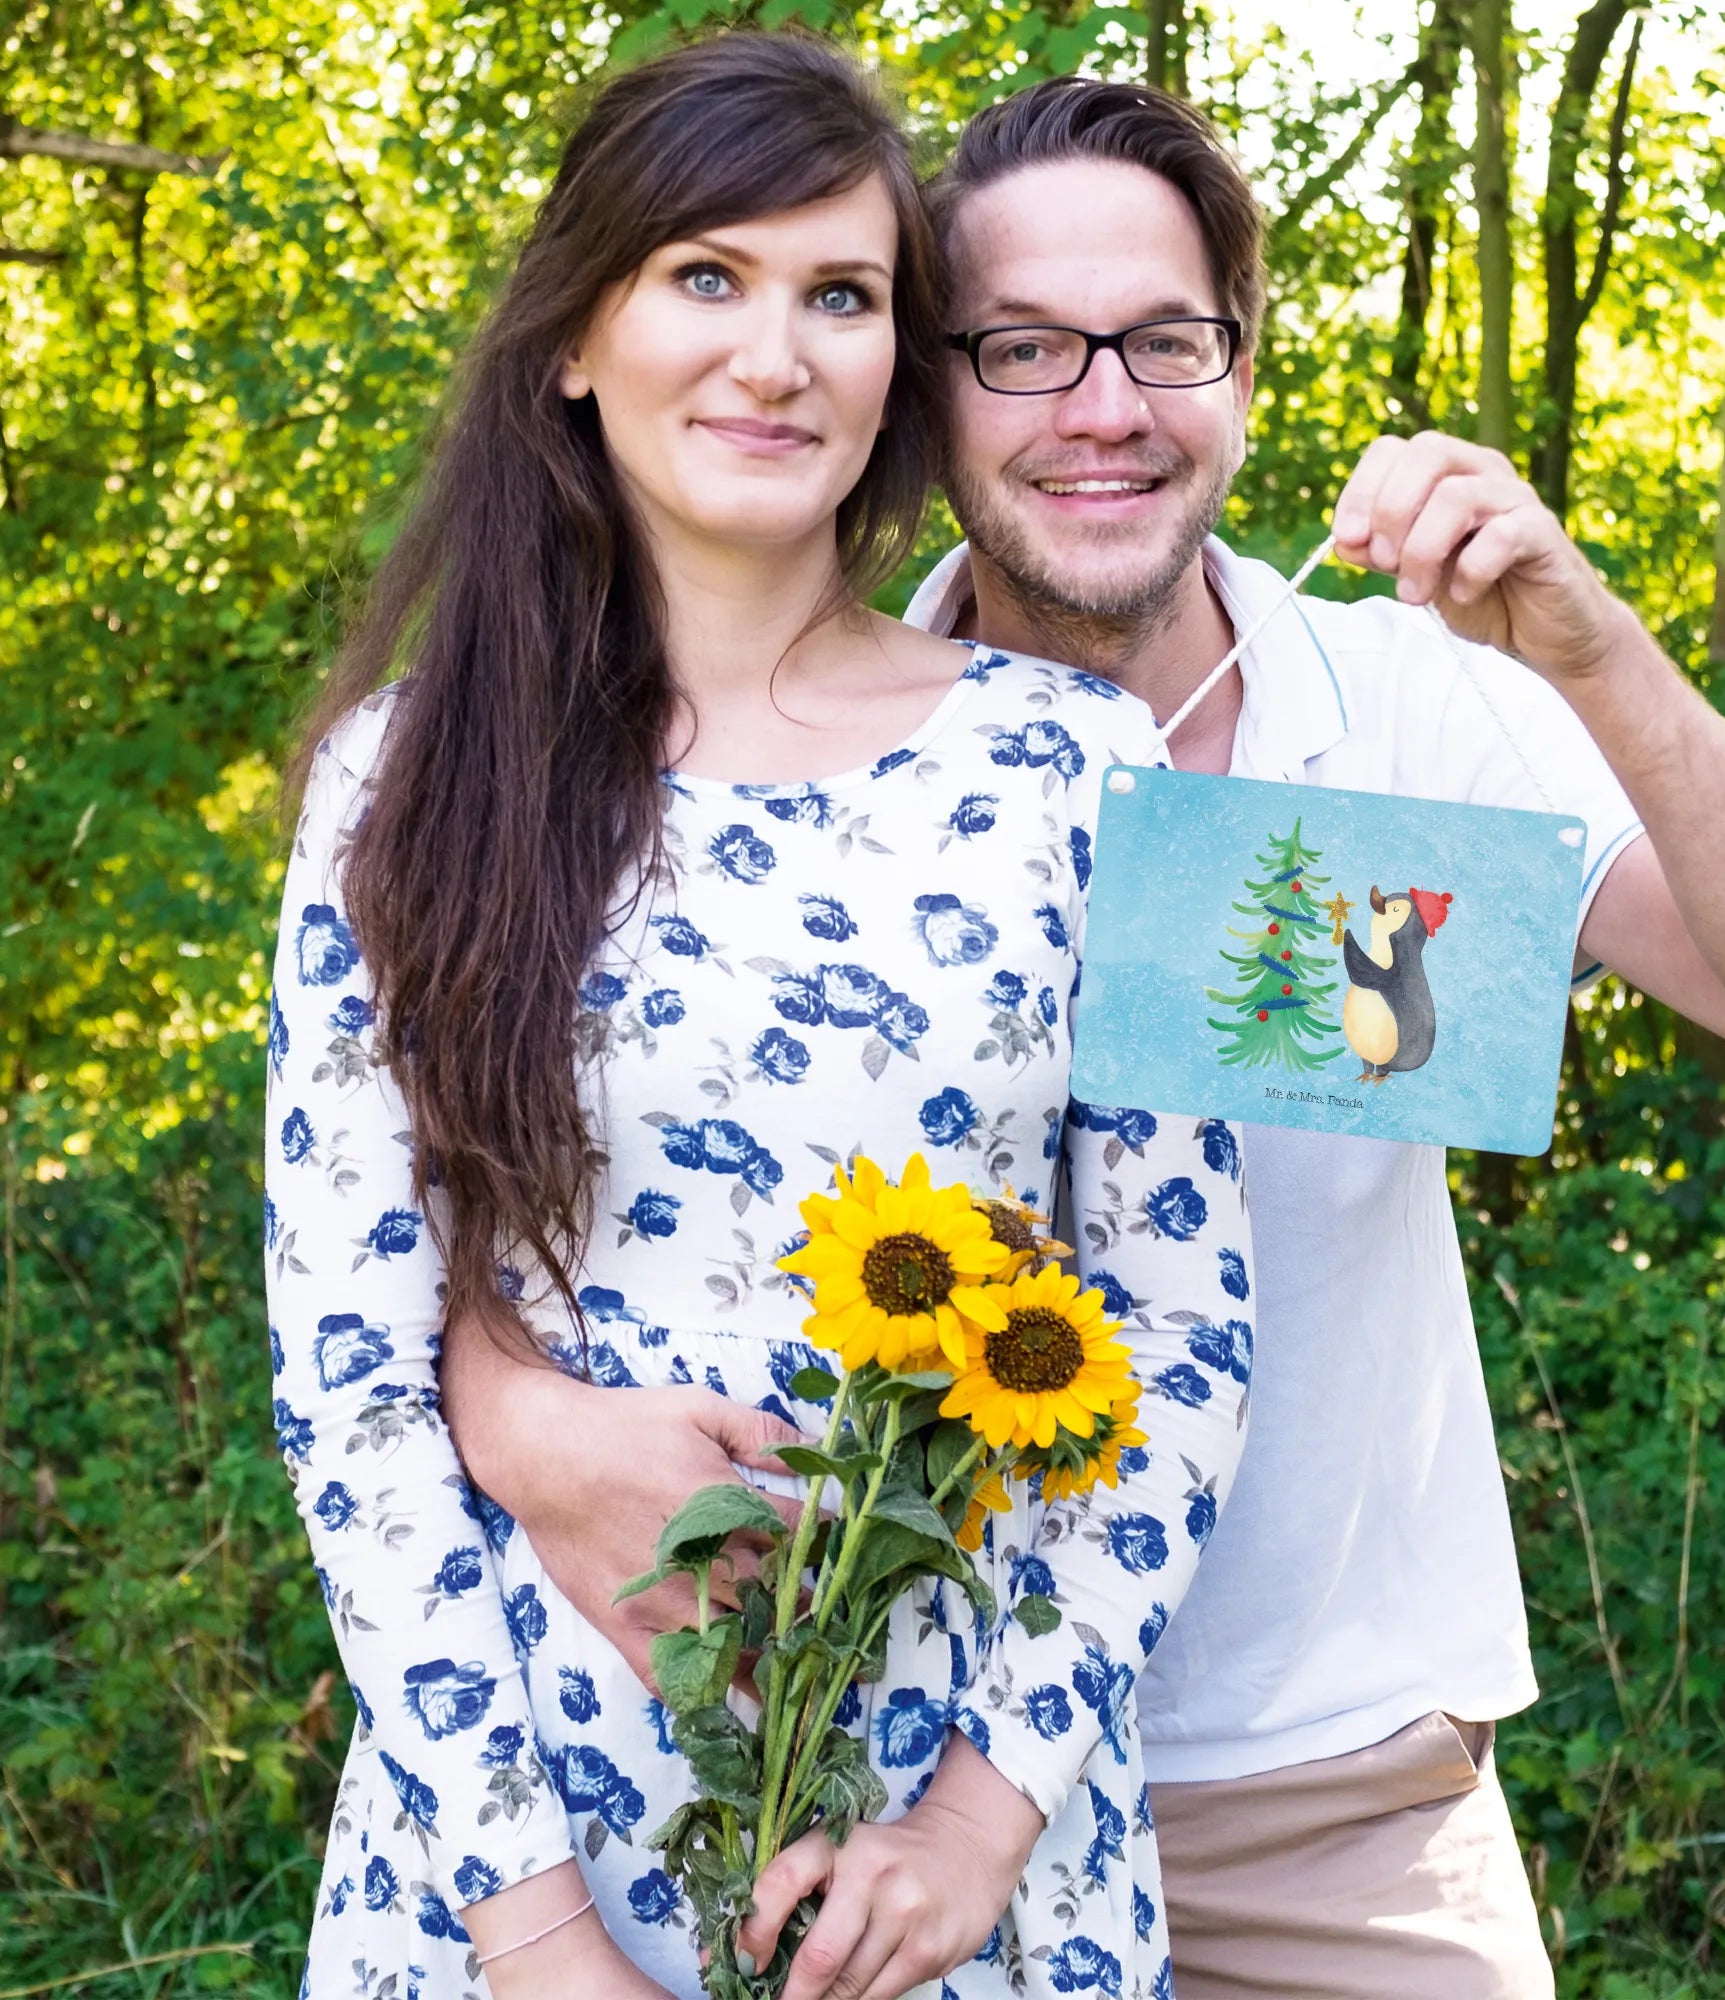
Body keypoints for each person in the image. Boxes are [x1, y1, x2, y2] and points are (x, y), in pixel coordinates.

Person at [443, 69, 1725, 2000]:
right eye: (1026, 348)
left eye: (1163, 340)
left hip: (1328, 1795)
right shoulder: (790, 744)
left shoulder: (1402, 702)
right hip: (886, 1768)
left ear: (1243, 366)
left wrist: (1584, 641)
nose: (1105, 406)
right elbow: (542, 1210)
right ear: (926, 385)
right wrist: (506, 1399)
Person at [266, 38, 1250, 2000]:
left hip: (954, 1852)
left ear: (899, 368)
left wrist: (975, 1825)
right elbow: (351, 1385)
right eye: (705, 277)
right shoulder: (406, 781)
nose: (775, 355)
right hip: (520, 1837)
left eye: (843, 296)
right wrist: (541, 1943)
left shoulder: (1087, 767)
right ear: (576, 336)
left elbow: (1182, 1332)